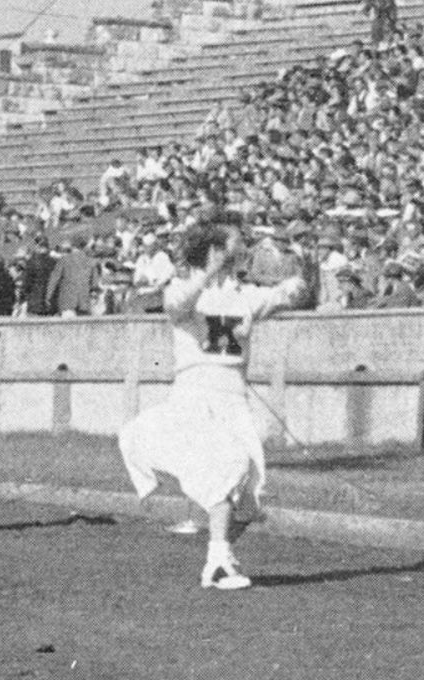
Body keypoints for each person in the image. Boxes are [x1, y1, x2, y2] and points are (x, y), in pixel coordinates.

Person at [119, 220, 304, 590]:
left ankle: (217, 555)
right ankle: (219, 563)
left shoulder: (246, 295)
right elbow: (176, 304)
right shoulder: (185, 289)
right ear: (215, 249)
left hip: (234, 399)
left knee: (250, 495)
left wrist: (294, 271)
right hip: (194, 396)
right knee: (223, 469)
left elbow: (291, 293)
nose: (244, 245)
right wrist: (206, 273)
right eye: (236, 241)